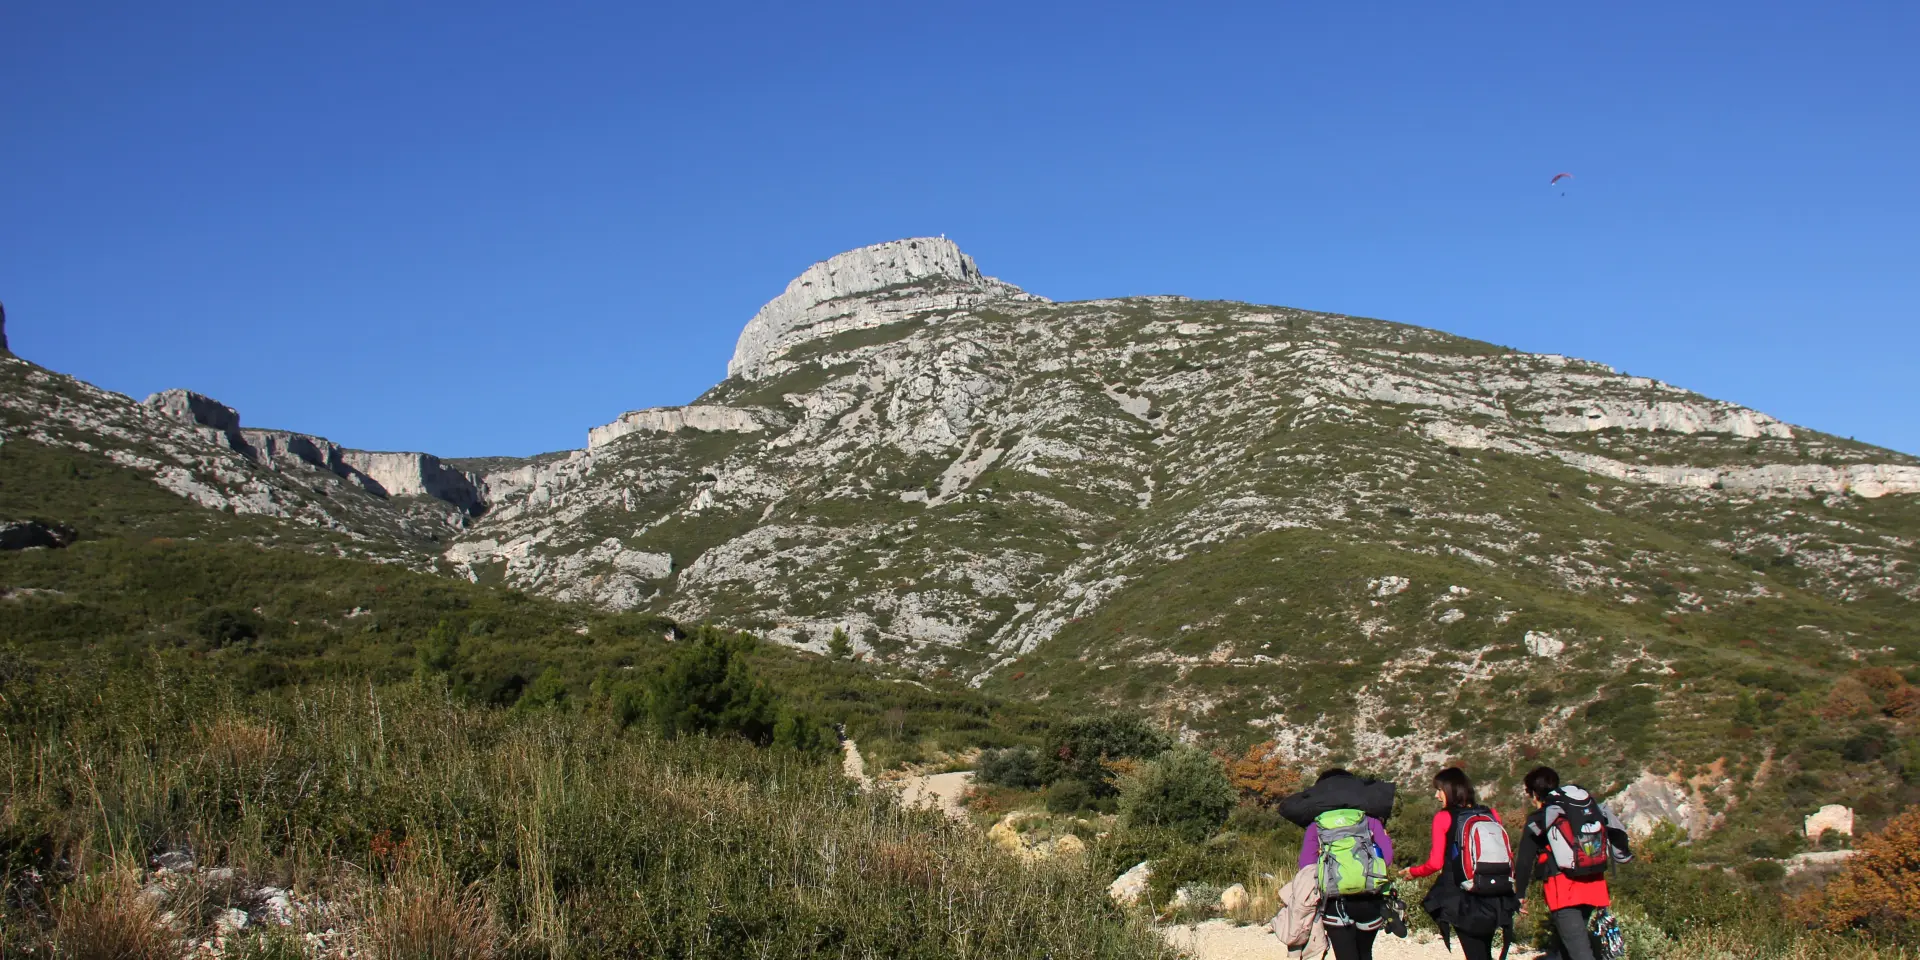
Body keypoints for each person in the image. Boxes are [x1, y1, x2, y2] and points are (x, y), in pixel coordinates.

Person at [1514, 767, 1632, 960]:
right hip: (1593, 883)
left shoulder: (1539, 819)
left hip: (1563, 890)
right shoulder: (1579, 810)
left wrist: (1519, 895)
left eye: (1528, 793)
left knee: (1579, 951)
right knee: (1567, 946)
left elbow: (1525, 860)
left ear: (1534, 793)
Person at [1284, 768, 1397, 960]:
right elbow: (1387, 857)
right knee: (1365, 954)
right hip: (1370, 899)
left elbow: (1306, 865)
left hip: (1334, 902)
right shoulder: (1369, 820)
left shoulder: (1316, 825)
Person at [1406, 768, 1518, 960]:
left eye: (1439, 790)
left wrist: (1413, 872)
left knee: (1475, 955)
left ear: (1449, 790)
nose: (1436, 795)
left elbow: (1434, 863)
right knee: (1483, 952)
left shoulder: (1443, 817)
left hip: (1463, 897)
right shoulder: (1490, 813)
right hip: (1496, 894)